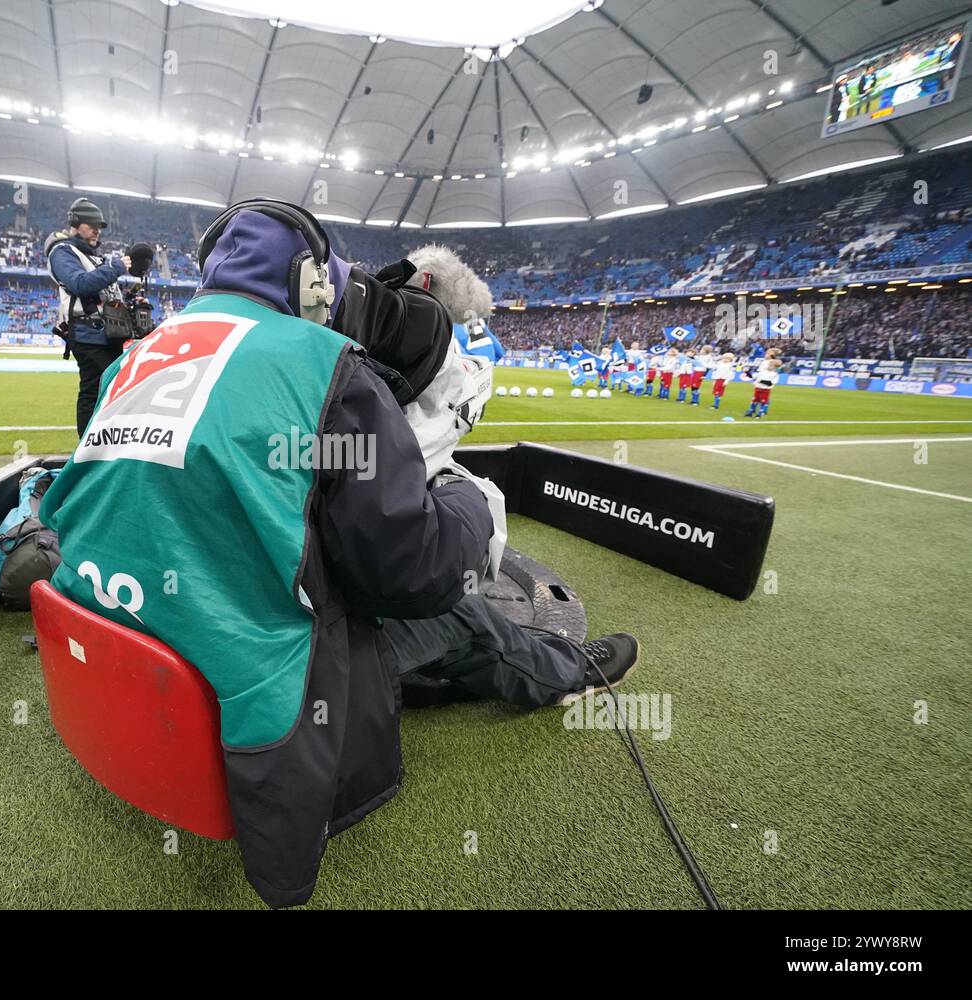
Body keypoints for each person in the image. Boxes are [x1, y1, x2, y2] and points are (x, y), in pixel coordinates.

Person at [39, 200, 639, 908]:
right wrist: (469, 504)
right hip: (245, 674)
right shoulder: (323, 366)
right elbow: (410, 575)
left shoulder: (133, 358)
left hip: (111, 629)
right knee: (458, 614)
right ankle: (565, 673)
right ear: (308, 282)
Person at [44, 198, 133, 436]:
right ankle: (88, 446)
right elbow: (79, 284)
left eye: (100, 225)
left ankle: (100, 442)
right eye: (91, 224)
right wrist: (115, 268)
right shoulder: (62, 251)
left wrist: (132, 304)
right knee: (96, 389)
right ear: (75, 223)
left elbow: (105, 294)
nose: (97, 230)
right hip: (87, 333)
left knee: (106, 389)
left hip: (107, 334)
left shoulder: (92, 256)